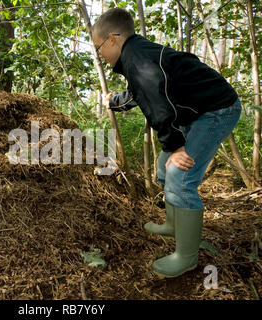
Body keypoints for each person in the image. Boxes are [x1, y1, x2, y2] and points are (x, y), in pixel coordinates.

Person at [92, 8, 241, 278]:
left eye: (99, 46)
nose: (100, 54)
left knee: (179, 175)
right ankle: (174, 223)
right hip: (198, 111)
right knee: (164, 165)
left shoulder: (137, 59)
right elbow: (141, 91)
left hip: (216, 110)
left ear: (112, 39)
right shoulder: (136, 56)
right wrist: (114, 102)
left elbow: (159, 105)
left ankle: (186, 256)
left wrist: (177, 145)